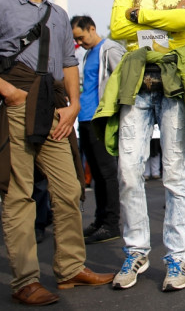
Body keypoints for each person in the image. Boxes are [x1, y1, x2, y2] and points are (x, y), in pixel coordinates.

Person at [0, 0, 113, 305]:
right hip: (15, 103)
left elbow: (69, 64)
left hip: (54, 105)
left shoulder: (59, 14)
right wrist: (10, 93)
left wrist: (74, 104)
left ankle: (71, 268)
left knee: (70, 188)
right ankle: (25, 281)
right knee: (19, 196)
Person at [107, 0, 185, 291]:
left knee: (175, 173)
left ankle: (178, 259)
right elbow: (117, 28)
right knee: (128, 171)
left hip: (174, 77)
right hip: (136, 77)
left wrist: (140, 14)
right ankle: (136, 251)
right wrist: (169, 14)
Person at [71, 15, 125, 243]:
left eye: (81, 37)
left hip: (101, 119)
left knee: (107, 173)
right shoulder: (88, 54)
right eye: (76, 40)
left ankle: (111, 223)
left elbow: (124, 81)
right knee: (96, 174)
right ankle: (100, 220)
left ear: (92, 28)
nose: (80, 43)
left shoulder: (110, 49)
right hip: (85, 118)